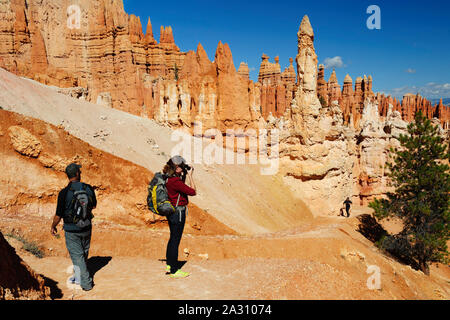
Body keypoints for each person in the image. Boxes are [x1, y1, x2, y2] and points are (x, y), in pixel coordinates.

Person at [50, 163, 97, 291]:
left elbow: (58, 215)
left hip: (71, 229)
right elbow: (94, 206)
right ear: (77, 174)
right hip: (87, 227)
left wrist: (53, 226)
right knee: (84, 252)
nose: (80, 173)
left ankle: (86, 284)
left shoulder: (64, 193)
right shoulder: (88, 188)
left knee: (77, 256)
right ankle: (81, 272)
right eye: (79, 172)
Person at [163, 156, 197, 278]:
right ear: (177, 168)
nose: (183, 167)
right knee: (176, 240)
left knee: (172, 238)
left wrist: (183, 174)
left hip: (170, 210)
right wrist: (190, 176)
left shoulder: (167, 178)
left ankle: (169, 264)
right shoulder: (175, 182)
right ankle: (174, 270)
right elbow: (193, 191)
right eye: (181, 166)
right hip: (178, 213)